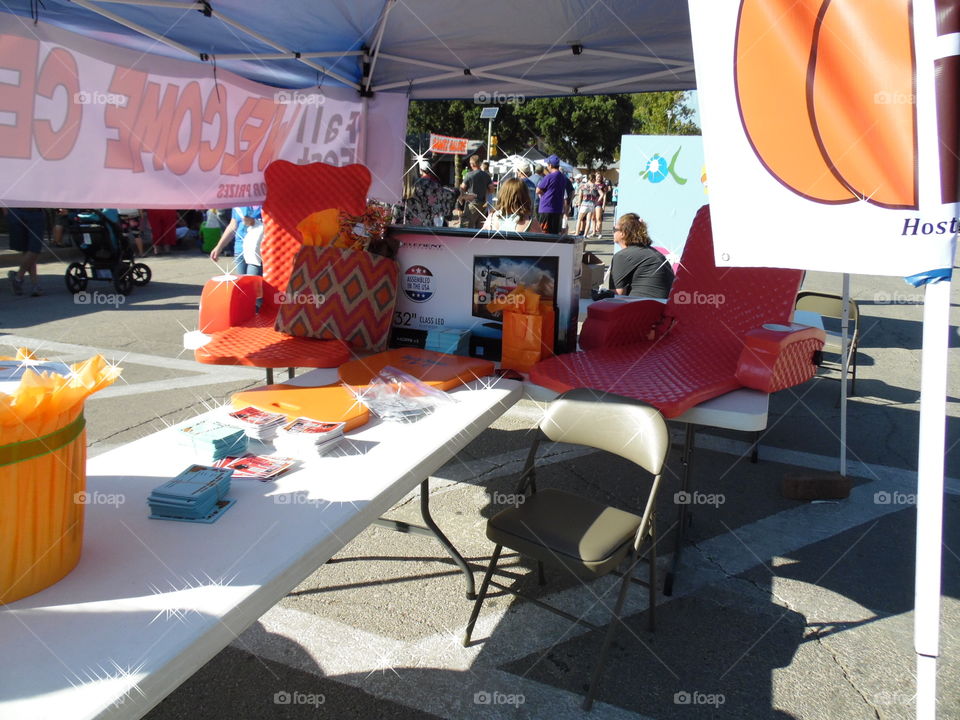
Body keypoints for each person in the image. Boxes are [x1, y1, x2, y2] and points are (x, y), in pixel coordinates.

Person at [609, 213, 674, 299]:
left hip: (642, 307)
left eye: (614, 229)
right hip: (663, 307)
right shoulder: (652, 253)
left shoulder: (622, 256)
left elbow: (616, 296)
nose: (613, 232)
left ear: (623, 233)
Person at [209, 206, 262, 274]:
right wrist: (219, 247)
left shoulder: (262, 202)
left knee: (253, 282)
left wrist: (254, 221)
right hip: (239, 249)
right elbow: (233, 225)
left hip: (256, 250)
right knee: (240, 283)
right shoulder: (238, 203)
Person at [5, 207, 46, 296]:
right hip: (17, 211)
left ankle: (17, 278)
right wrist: (6, 211)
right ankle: (35, 285)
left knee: (35, 249)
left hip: (36, 212)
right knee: (27, 249)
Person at [536, 154, 574, 234]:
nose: (547, 167)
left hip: (546, 208)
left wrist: (545, 193)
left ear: (550, 165)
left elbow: (538, 190)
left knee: (544, 234)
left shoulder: (549, 177)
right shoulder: (563, 177)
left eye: (547, 165)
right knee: (554, 234)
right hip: (557, 209)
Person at [459, 155, 493, 229]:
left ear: (471, 164)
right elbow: (491, 189)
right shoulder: (487, 175)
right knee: (480, 227)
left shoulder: (468, 175)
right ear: (479, 163)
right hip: (483, 204)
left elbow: (462, 188)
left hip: (472, 204)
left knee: (466, 225)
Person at [592, 172, 608, 238]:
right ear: (595, 177)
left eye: (600, 177)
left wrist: (604, 205)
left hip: (599, 202)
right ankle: (593, 232)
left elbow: (604, 195)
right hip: (592, 202)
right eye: (597, 177)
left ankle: (600, 233)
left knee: (598, 218)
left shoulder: (603, 185)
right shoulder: (592, 184)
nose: (598, 178)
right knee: (593, 218)